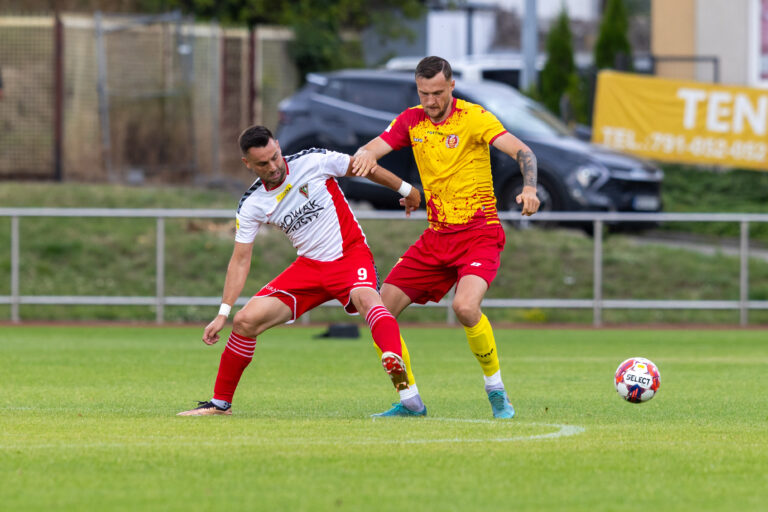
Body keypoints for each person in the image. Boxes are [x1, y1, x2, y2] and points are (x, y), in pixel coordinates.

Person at [178, 125, 423, 416]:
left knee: (368, 299)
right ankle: (220, 405)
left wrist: (407, 190)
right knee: (245, 321)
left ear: (279, 146)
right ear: (247, 164)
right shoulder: (252, 204)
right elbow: (240, 259)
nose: (272, 167)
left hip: (349, 255)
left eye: (274, 157)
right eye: (262, 163)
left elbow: (363, 167)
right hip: (308, 268)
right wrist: (223, 313)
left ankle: (404, 386)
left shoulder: (313, 161)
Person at [353, 56, 541, 419]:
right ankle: (410, 400)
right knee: (379, 312)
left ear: (451, 86)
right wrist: (363, 156)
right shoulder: (411, 120)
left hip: (479, 232)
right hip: (437, 236)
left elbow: (524, 151)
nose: (430, 101)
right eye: (424, 93)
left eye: (437, 93)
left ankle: (497, 392)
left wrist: (530, 188)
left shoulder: (474, 117)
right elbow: (374, 148)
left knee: (465, 308)